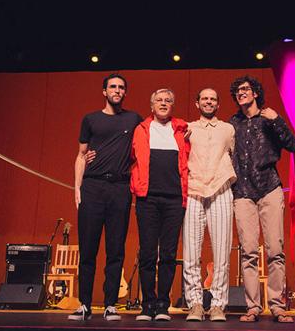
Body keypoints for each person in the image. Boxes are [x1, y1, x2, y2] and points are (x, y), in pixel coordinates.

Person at [69, 73, 142, 321]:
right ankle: (85, 304)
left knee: (115, 248)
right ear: (104, 91)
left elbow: (147, 143)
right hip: (92, 188)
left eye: (121, 87)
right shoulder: (90, 119)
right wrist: (77, 188)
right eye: (113, 86)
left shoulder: (133, 119)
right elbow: (81, 155)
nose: (117, 90)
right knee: (88, 249)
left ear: (125, 92)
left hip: (119, 189)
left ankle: (111, 304)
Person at [229, 76, 295, 323]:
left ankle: (277, 305)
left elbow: (293, 144)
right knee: (248, 251)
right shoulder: (232, 123)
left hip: (269, 188)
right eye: (237, 90)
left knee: (275, 250)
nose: (241, 93)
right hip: (243, 192)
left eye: (245, 89)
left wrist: (277, 120)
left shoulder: (269, 119)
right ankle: (253, 307)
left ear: (256, 93)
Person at [130, 88, 190, 321]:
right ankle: (148, 305)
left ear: (172, 105)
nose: (163, 104)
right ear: (151, 105)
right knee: (147, 253)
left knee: (167, 254)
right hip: (147, 199)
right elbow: (125, 155)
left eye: (168, 101)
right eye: (159, 100)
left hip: (175, 199)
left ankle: (163, 305)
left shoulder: (182, 129)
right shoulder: (140, 130)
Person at [183, 88, 236, 322]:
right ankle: (194, 303)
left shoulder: (228, 129)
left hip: (221, 189)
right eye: (204, 98)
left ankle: (217, 305)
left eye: (213, 99)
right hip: (194, 189)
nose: (208, 101)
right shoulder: (188, 128)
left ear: (218, 104)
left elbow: (234, 154)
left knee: (222, 251)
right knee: (191, 252)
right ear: (197, 103)